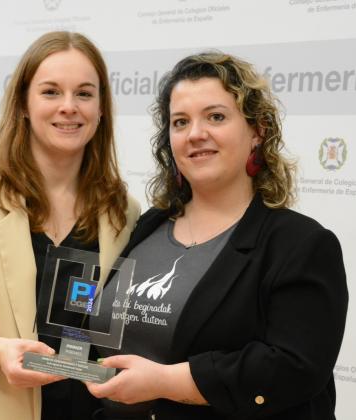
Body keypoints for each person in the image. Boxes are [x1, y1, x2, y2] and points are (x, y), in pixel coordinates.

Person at [86, 52, 348, 420]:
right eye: (180, 122)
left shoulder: (301, 244)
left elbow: (295, 367)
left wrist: (165, 381)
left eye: (216, 117)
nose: (196, 134)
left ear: (257, 131)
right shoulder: (147, 225)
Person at [0, 31, 140, 420]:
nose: (69, 107)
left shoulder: (122, 211)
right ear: (24, 105)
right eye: (50, 92)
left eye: (84, 94)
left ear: (101, 109)